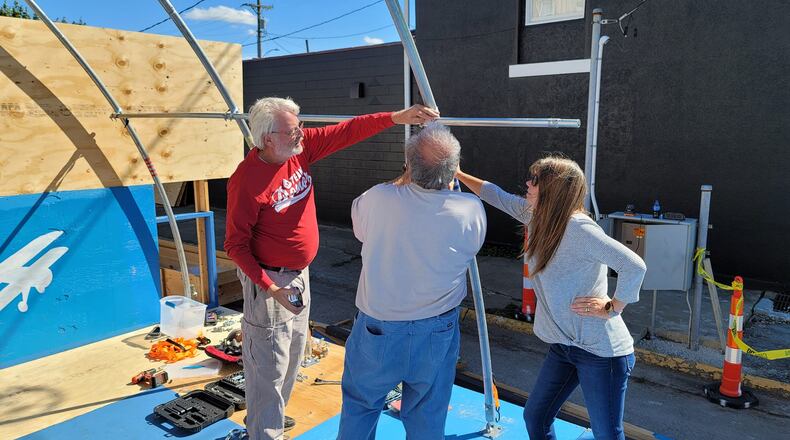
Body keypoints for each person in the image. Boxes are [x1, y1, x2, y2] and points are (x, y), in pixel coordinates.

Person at [224, 97, 438, 440]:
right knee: (268, 365)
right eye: (294, 130)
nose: (302, 134)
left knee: (293, 353)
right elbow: (235, 245)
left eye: (301, 126)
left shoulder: (298, 151)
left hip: (297, 275)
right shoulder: (246, 180)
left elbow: (348, 130)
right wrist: (270, 287)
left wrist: (398, 117)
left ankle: (271, 420)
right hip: (270, 280)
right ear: (267, 138)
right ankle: (263, 432)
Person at [455, 155, 646, 440]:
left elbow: (634, 265)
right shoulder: (538, 216)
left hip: (601, 352)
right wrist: (457, 173)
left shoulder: (580, 229)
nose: (528, 184)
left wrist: (612, 307)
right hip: (565, 345)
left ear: (553, 190)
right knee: (535, 417)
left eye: (535, 181)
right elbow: (496, 195)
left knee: (606, 433)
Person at [338, 123, 486, 439]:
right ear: (453, 172)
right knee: (427, 418)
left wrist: (407, 176)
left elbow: (361, 230)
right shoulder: (470, 209)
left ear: (408, 167)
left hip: (379, 329)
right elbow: (468, 246)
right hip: (436, 331)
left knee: (361, 408)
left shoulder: (377, 198)